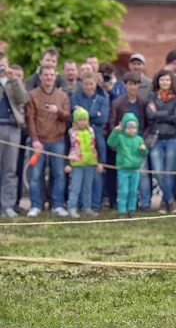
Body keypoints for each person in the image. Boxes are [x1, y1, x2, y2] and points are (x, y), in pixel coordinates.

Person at [25, 65, 71, 217]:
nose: (49, 78)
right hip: (39, 141)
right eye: (46, 75)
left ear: (55, 77)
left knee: (59, 174)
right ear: (40, 77)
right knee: (35, 175)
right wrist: (35, 140)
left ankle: (57, 205)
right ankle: (36, 205)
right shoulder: (32, 95)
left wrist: (57, 110)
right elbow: (30, 119)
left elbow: (67, 116)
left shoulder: (62, 96)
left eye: (51, 75)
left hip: (57, 140)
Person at [71, 72, 109, 214]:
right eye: (86, 84)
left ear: (95, 84)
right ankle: (80, 203)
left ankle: (94, 203)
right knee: (80, 174)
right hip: (79, 139)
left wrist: (84, 115)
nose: (88, 87)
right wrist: (94, 114)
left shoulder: (101, 99)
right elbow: (74, 117)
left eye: (91, 84)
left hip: (97, 137)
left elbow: (103, 119)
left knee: (97, 172)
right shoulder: (75, 98)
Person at [146, 70, 176, 214]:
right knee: (159, 172)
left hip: (172, 138)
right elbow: (149, 116)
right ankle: (170, 201)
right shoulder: (152, 96)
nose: (165, 83)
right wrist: (166, 114)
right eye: (162, 80)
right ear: (158, 82)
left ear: (171, 81)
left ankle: (165, 202)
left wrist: (158, 114)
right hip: (156, 139)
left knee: (169, 173)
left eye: (167, 80)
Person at [0, 54, 28, 218]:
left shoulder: (13, 82)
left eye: (4, 65)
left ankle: (8, 205)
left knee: (10, 169)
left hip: (13, 128)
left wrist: (13, 81)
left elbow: (23, 98)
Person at [107, 113, 149, 218]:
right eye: (129, 127)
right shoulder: (120, 138)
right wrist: (116, 131)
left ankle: (131, 210)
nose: (131, 130)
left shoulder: (139, 139)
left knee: (133, 191)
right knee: (123, 191)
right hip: (123, 169)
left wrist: (144, 149)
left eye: (134, 127)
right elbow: (111, 142)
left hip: (135, 170)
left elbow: (144, 153)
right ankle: (122, 210)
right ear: (124, 127)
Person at [64, 107, 104, 218]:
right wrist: (66, 163)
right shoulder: (71, 133)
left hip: (90, 163)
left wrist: (99, 162)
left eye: (84, 120)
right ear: (75, 121)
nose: (82, 122)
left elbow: (97, 146)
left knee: (87, 187)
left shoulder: (92, 131)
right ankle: (72, 207)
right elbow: (66, 148)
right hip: (76, 164)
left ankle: (86, 207)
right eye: (80, 120)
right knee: (75, 187)